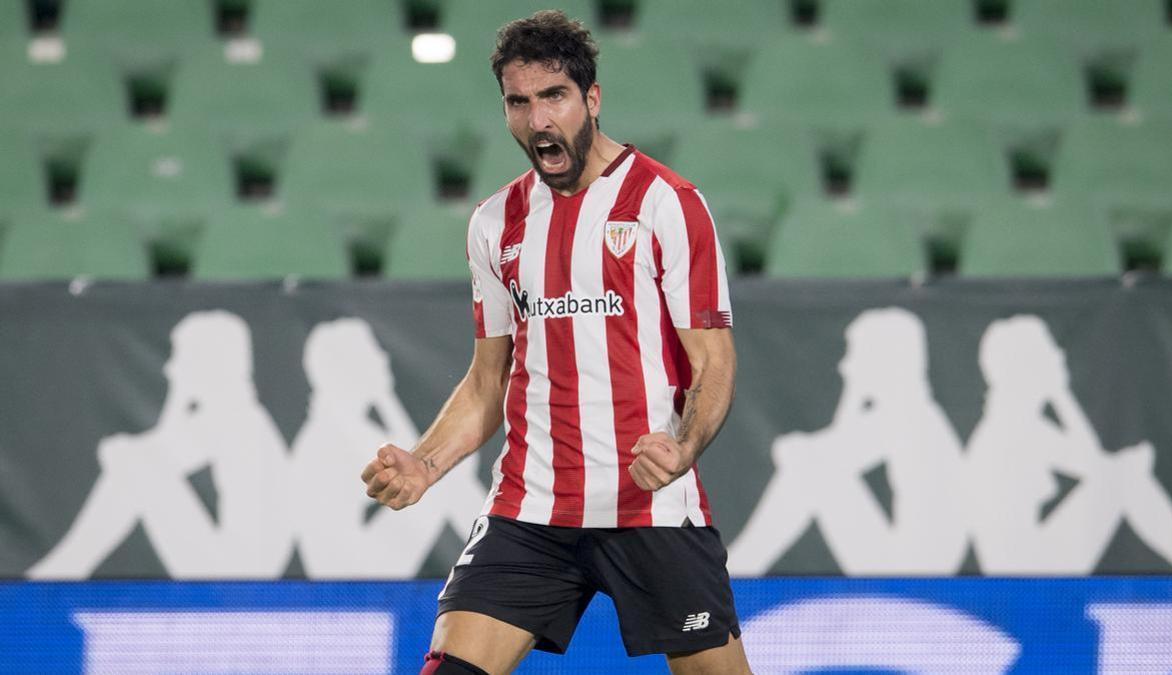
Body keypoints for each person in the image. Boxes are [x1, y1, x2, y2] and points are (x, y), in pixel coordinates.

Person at [360, 10, 750, 674]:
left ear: (591, 99)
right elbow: (489, 380)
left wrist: (683, 445)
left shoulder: (666, 204)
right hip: (530, 507)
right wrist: (425, 463)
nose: (538, 119)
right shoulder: (494, 224)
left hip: (650, 507)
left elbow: (712, 357)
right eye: (519, 102)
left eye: (554, 97)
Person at [27, 310, 292, 579]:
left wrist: (178, 393)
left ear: (208, 363)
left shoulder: (236, 421)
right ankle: (65, 568)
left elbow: (151, 455)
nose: (170, 368)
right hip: (233, 575)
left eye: (181, 356)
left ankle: (63, 570)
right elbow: (159, 451)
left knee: (135, 464)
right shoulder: (234, 414)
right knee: (136, 463)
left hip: (237, 582)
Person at [727, 308, 969, 576]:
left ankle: (738, 571)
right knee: (813, 464)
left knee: (809, 465)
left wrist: (854, 393)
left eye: (856, 354)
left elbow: (811, 453)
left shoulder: (908, 416)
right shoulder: (911, 412)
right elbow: (833, 446)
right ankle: (740, 567)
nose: (845, 366)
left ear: (884, 361)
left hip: (916, 572)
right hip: (911, 563)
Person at [965, 315, 1172, 574]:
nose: (1059, 356)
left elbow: (1093, 461)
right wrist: (1060, 394)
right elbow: (1098, 467)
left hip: (1029, 566)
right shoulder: (1013, 430)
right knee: (1125, 477)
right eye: (1048, 351)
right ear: (1027, 367)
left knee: (1123, 475)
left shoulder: (1020, 424)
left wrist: (1061, 395)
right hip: (1022, 576)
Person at [290, 318, 485, 578]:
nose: (382, 358)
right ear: (345, 369)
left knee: (439, 472)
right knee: (447, 475)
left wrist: (385, 398)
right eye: (370, 353)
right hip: (346, 576)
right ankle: (496, 559)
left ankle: (493, 556)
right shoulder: (324, 441)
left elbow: (417, 467)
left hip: (361, 565)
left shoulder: (361, 422)